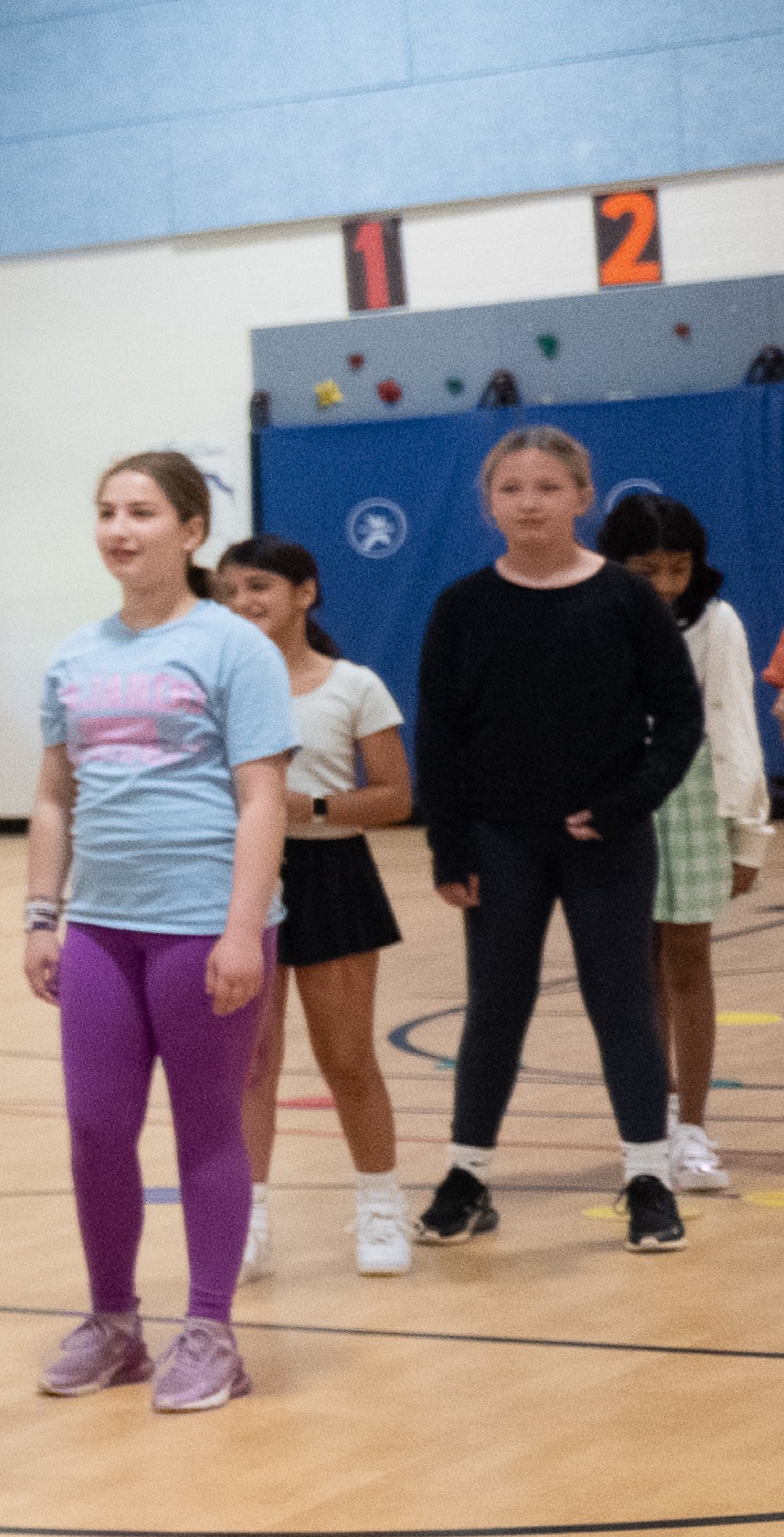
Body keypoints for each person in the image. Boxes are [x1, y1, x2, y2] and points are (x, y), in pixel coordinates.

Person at [24, 450, 292, 1410]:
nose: (119, 529)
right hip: (100, 925)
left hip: (201, 926)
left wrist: (239, 928)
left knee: (207, 1127)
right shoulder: (74, 657)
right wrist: (40, 914)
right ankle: (114, 1324)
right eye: (106, 511)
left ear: (189, 531)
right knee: (98, 1131)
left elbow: (262, 797)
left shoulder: (235, 648)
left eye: (141, 511)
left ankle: (212, 1331)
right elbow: (55, 796)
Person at [412, 425, 706, 1254]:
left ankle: (648, 1176)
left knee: (622, 1006)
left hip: (606, 841)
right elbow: (438, 736)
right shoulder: (461, 607)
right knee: (495, 1008)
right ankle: (468, 1175)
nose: (530, 502)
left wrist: (627, 803)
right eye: (511, 489)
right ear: (489, 504)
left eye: (548, 487)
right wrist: (449, 847)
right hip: (500, 843)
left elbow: (680, 722)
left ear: (582, 497)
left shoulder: (626, 599)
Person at [213, 533, 416, 1277]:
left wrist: (314, 807)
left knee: (348, 1060)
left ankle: (380, 1207)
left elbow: (395, 795)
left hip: (333, 875)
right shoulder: (216, 682)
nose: (244, 603)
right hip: (243, 878)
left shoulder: (353, 685)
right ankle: (248, 1220)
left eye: (259, 586)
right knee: (250, 1063)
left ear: (305, 592)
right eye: (230, 591)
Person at [593, 492, 765, 1191]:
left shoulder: (716, 621)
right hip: (616, 794)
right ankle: (649, 1127)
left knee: (688, 956)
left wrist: (747, 833)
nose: (664, 585)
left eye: (677, 567)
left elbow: (734, 722)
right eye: (646, 569)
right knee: (635, 968)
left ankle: (691, 1129)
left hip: (692, 790)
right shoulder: (593, 614)